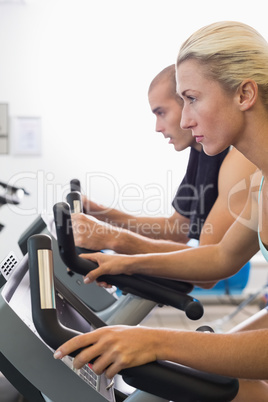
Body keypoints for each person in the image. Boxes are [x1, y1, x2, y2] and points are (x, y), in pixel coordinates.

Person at [54, 22, 268, 401]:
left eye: (192, 98)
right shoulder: (260, 183)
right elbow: (219, 257)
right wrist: (126, 263)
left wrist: (157, 342)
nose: (184, 120)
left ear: (245, 93)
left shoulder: (244, 171)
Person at [72, 65, 255, 261]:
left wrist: (114, 240)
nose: (158, 127)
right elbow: (178, 229)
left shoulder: (239, 157)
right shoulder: (202, 151)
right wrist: (99, 212)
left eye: (162, 113)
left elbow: (212, 261)